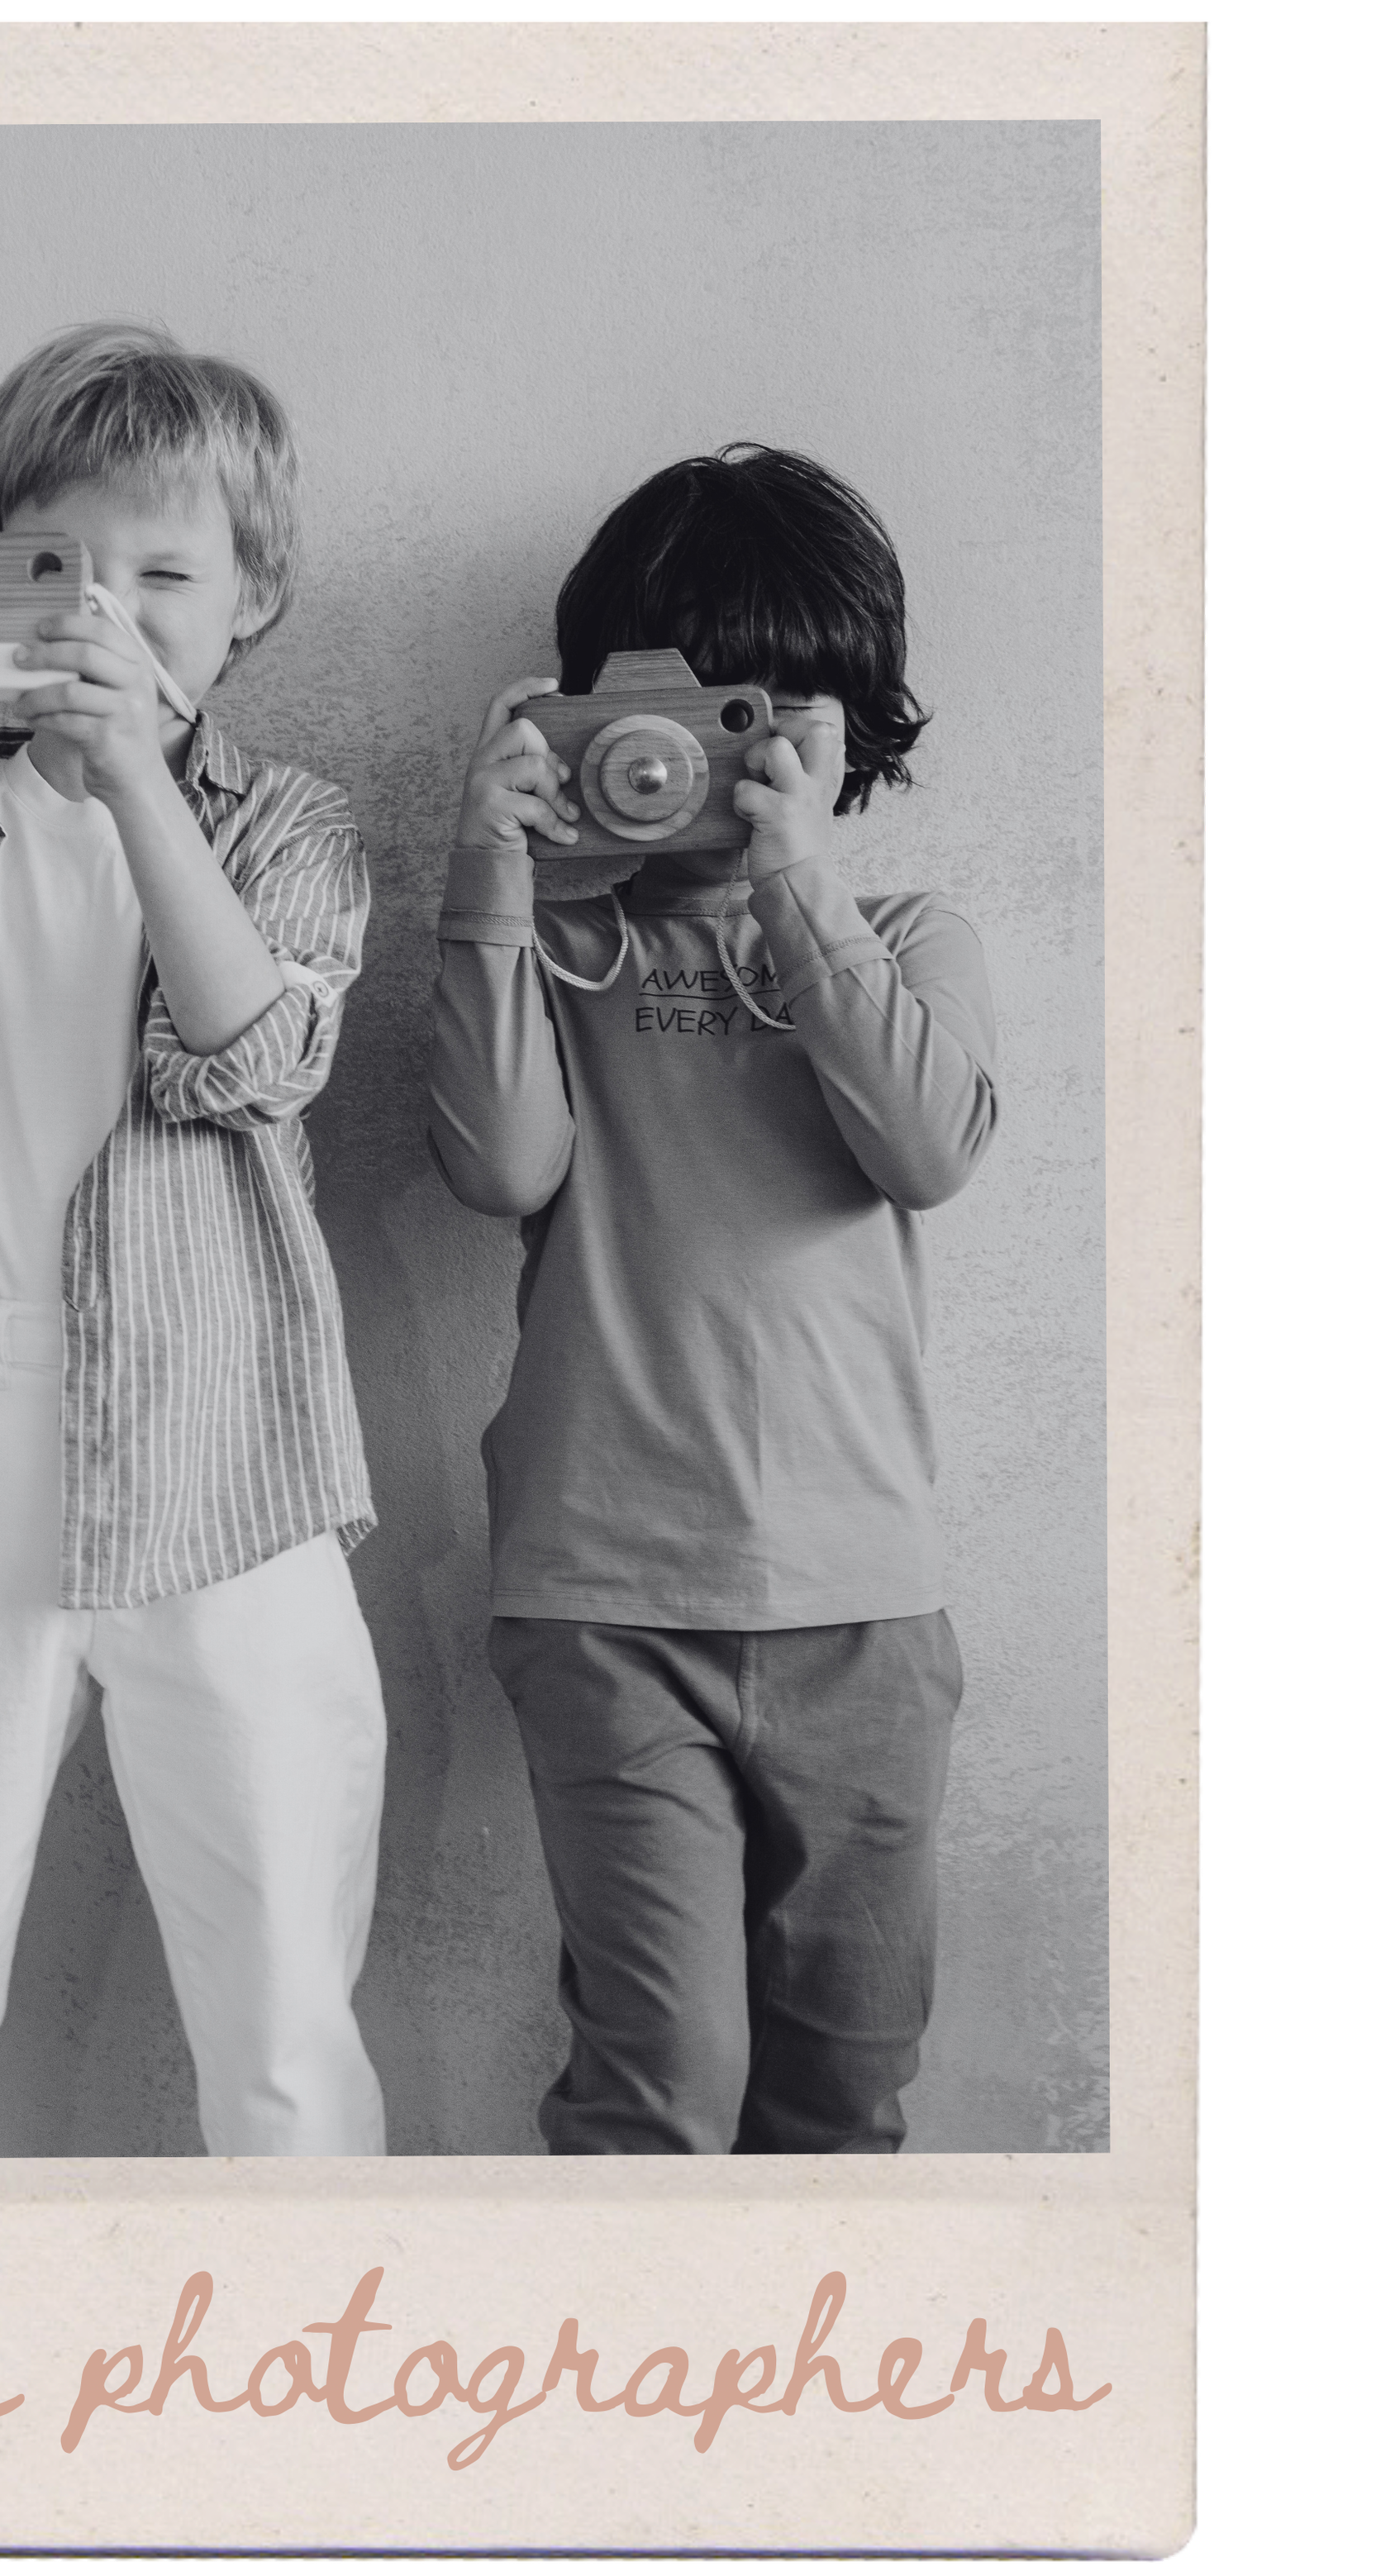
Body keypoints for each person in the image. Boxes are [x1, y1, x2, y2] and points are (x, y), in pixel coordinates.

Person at [0, 322, 388, 2159]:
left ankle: (316, 2405)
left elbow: (254, 1055)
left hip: (228, 1461)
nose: (110, 614)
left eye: (165, 574)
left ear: (253, 599)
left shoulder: (290, 824)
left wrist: (139, 786)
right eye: (61, 571)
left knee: (278, 2026)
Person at [426, 446, 998, 2155]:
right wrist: (491, 875)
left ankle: (800, 2419)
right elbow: (496, 1168)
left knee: (840, 2090)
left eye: (780, 714)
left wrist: (791, 875)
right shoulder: (553, 948)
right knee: (653, 2088)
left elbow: (923, 1146)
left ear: (852, 733)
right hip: (601, 1596)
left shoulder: (903, 928)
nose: (725, 754)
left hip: (862, 1604)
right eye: (689, 707)